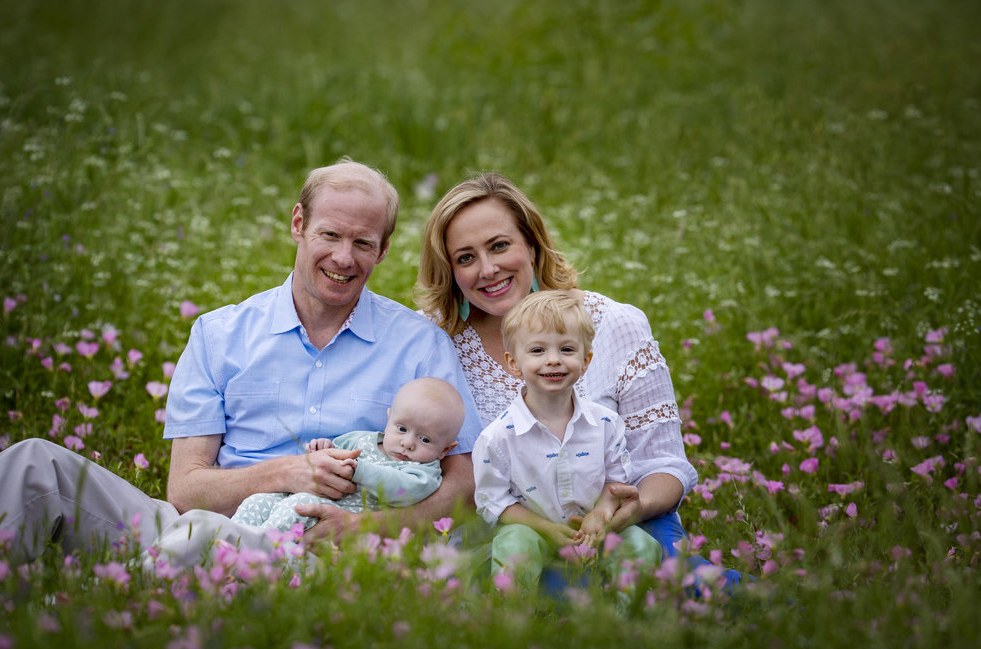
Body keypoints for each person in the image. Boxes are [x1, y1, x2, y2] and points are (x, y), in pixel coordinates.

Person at [0, 159, 483, 566]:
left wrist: (364, 528)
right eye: (330, 235)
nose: (344, 258)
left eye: (363, 243)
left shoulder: (418, 345)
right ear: (298, 224)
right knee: (33, 465)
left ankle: (107, 601)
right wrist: (287, 472)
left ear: (384, 249)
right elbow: (185, 489)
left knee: (202, 540)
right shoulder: (220, 335)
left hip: (320, 548)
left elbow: (465, 484)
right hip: (204, 528)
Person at [417, 173, 744, 590]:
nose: (488, 269)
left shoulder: (614, 324)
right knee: (569, 601)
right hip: (514, 542)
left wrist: (622, 511)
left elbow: (665, 465)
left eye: (500, 246)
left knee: (681, 586)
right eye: (465, 258)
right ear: (450, 271)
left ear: (531, 245)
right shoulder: (438, 347)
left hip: (629, 524)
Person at [473, 290, 662, 588]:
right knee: (513, 547)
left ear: (586, 360)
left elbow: (615, 482)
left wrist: (600, 514)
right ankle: (511, 622)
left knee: (642, 546)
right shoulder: (498, 437)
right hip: (533, 529)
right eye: (537, 351)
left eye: (567, 349)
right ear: (513, 362)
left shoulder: (605, 424)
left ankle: (631, 621)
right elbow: (492, 501)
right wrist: (546, 529)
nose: (553, 361)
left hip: (591, 528)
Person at [232, 377, 464, 533]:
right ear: (389, 418)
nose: (408, 443)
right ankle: (227, 544)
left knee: (299, 505)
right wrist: (323, 449)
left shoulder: (423, 473)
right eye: (402, 429)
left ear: (445, 449)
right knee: (258, 501)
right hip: (311, 497)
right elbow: (334, 451)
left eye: (425, 439)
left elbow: (401, 489)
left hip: (334, 521)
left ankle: (261, 554)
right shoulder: (362, 439)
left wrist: (361, 471)